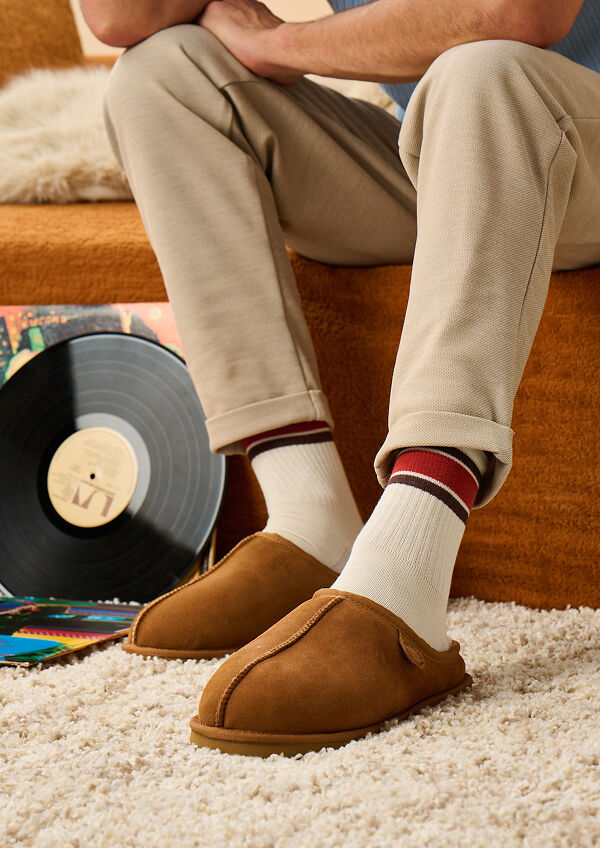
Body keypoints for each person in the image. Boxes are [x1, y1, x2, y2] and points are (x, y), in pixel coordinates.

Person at [82, 0, 599, 756]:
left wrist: (283, 43)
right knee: (161, 76)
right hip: (461, 146)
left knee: (483, 69)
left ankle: (406, 578)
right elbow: (120, 18)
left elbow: (510, 12)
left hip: (552, 119)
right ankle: (308, 517)